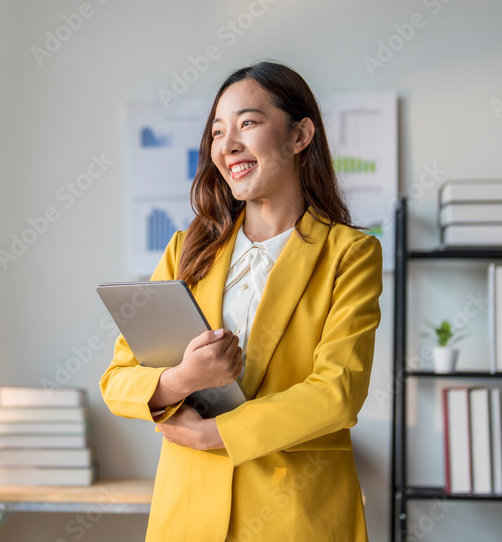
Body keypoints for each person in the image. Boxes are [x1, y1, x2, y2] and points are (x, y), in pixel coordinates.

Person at [99, 61, 384, 541]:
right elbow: (118, 379)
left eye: (247, 124)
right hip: (187, 513)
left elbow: (337, 394)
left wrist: (221, 434)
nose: (227, 145)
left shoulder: (349, 254)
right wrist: (182, 379)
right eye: (216, 132)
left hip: (297, 517)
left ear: (299, 136)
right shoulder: (184, 250)